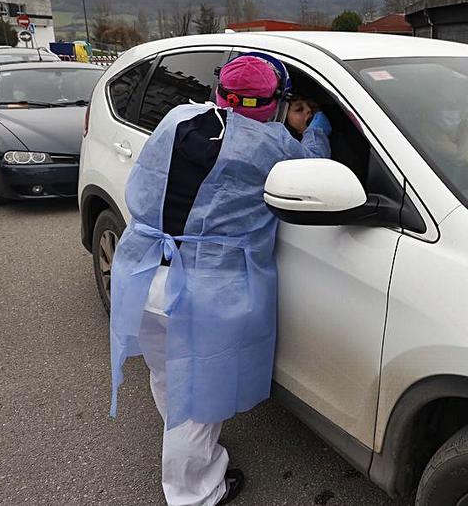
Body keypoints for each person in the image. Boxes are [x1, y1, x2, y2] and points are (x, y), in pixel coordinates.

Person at [108, 53, 332, 506]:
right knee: (198, 397)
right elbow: (314, 164)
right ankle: (194, 493)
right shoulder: (273, 145)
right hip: (202, 292)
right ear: (275, 104)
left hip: (141, 272)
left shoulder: (176, 118)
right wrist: (317, 122)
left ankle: (187, 448)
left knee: (168, 373)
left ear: (218, 93)